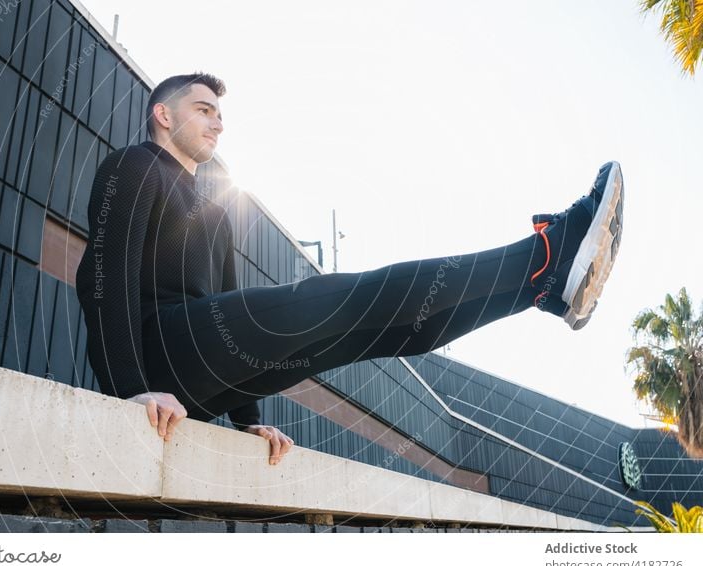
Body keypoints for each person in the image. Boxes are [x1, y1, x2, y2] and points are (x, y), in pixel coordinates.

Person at [75, 72, 624, 467]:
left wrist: (246, 420)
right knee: (344, 297)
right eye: (202, 109)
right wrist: (131, 389)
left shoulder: (216, 211)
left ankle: (539, 290)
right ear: (163, 114)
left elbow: (225, 303)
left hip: (198, 367)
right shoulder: (134, 165)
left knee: (374, 332)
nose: (217, 123)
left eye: (220, 114)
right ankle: (548, 252)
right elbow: (104, 279)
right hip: (156, 350)